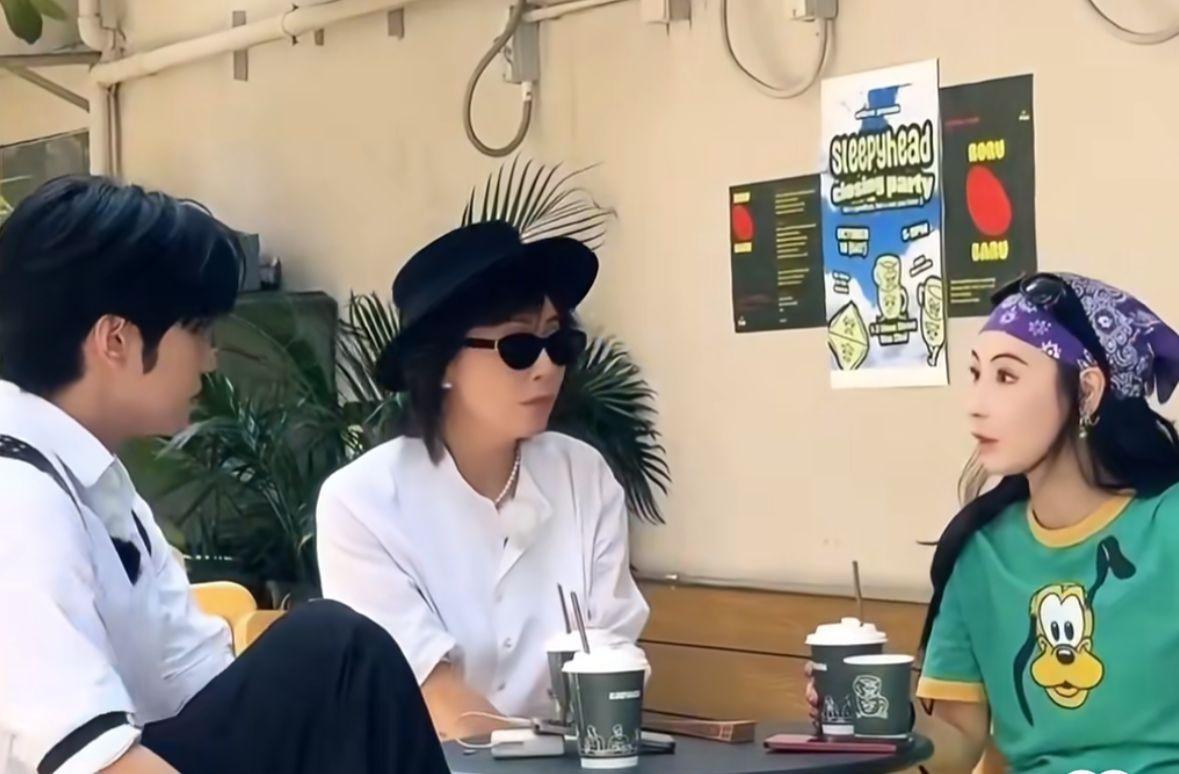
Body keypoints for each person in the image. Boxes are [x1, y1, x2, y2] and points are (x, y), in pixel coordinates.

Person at [0, 176, 448, 774]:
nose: (211, 359)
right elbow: (97, 766)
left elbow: (201, 685)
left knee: (332, 666)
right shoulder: (18, 503)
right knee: (335, 649)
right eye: (199, 331)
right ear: (116, 340)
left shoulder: (98, 487)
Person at [809, 272, 1179, 772]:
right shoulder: (979, 555)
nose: (975, 405)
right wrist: (881, 711)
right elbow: (960, 745)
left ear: (1087, 391)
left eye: (1006, 377)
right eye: (975, 374)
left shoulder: (1168, 526)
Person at [316, 221, 649, 739]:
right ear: (443, 362)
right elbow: (433, 697)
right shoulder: (362, 502)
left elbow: (612, 659)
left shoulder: (583, 476)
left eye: (559, 342)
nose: (546, 368)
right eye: (518, 346)